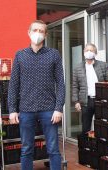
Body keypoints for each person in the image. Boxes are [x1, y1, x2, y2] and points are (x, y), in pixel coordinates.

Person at [8, 20, 65, 170]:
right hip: (26, 109)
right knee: (26, 149)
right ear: (29, 32)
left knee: (53, 148)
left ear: (46, 34)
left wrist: (59, 108)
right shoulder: (20, 55)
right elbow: (13, 84)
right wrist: (12, 109)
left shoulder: (54, 54)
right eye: (35, 30)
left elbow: (61, 83)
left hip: (49, 110)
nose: (38, 34)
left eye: (41, 31)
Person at [72, 43, 108, 134]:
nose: (88, 52)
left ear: (95, 53)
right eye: (86, 50)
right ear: (83, 52)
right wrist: (76, 101)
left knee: (102, 126)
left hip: (100, 101)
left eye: (91, 50)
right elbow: (75, 86)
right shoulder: (78, 68)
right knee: (85, 127)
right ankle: (87, 147)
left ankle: (100, 147)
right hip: (86, 101)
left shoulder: (103, 66)